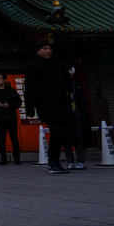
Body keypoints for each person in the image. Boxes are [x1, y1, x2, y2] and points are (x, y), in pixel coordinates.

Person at [24, 39, 71, 174]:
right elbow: (30, 88)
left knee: (60, 132)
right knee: (56, 130)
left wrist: (68, 89)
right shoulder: (32, 66)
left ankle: (55, 161)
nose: (48, 51)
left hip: (60, 103)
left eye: (49, 48)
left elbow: (67, 78)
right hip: (45, 104)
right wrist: (30, 108)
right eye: (45, 48)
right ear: (38, 50)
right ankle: (53, 162)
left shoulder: (57, 64)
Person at [64, 65, 88, 170]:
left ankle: (81, 160)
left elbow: (81, 98)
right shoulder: (60, 83)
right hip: (65, 114)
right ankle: (69, 161)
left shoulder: (76, 83)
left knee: (79, 137)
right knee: (66, 138)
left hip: (76, 112)